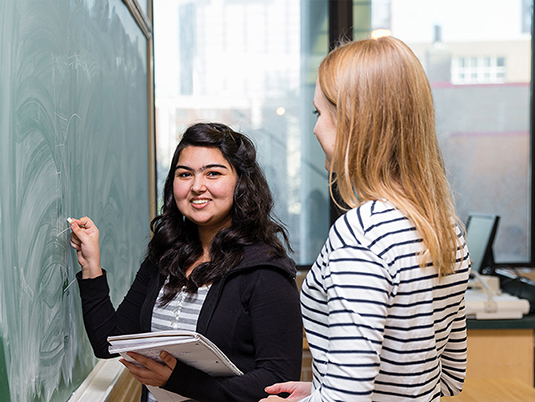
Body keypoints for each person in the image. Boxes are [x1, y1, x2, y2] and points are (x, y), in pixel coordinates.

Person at [262, 36, 470, 402]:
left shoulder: (361, 235)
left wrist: (329, 395)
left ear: (355, 121)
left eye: (320, 113)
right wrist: (320, 391)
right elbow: (449, 377)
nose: (315, 128)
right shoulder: (446, 229)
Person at [69, 122, 303, 402]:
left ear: (241, 182)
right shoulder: (164, 258)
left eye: (213, 173)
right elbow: (110, 342)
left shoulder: (265, 271)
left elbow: (280, 382)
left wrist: (179, 380)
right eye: (185, 174)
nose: (197, 187)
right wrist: (91, 266)